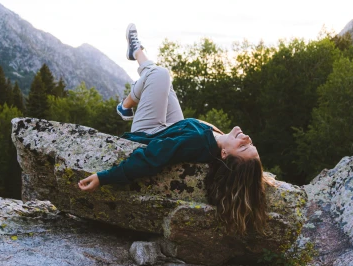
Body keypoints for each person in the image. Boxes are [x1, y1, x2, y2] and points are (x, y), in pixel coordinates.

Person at [78, 24, 269, 235]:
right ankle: (136, 51)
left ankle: (125, 105)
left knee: (159, 75)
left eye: (243, 148)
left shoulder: (197, 143)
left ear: (224, 154)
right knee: (162, 80)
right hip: (175, 127)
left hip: (149, 131)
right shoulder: (218, 140)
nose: (248, 138)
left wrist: (104, 177)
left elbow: (151, 158)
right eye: (251, 145)